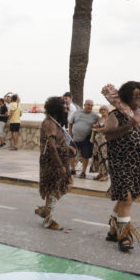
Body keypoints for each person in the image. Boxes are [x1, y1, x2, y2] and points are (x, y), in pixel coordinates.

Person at [102, 81, 140, 252]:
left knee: (126, 197)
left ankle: (113, 231)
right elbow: (108, 135)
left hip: (138, 162)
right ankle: (124, 236)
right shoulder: (116, 114)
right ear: (126, 96)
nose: (138, 98)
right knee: (126, 198)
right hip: (120, 161)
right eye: (134, 95)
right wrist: (128, 125)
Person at [36, 96, 74, 230]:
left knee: (56, 188)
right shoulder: (50, 123)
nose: (66, 109)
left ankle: (46, 211)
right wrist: (60, 166)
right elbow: (51, 147)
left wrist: (67, 147)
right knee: (56, 189)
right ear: (56, 109)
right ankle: (48, 218)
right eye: (63, 107)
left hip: (57, 161)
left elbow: (56, 143)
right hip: (52, 162)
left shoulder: (54, 122)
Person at [68, 99, 99, 178]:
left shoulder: (95, 116)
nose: (90, 106)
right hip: (74, 138)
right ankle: (72, 169)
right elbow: (70, 123)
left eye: (91, 105)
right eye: (88, 104)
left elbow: (101, 123)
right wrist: (70, 134)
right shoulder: (77, 113)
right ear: (84, 105)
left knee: (86, 156)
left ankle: (83, 172)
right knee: (71, 154)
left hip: (86, 139)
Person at [90, 105, 110, 181]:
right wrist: (95, 126)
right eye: (101, 109)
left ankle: (105, 174)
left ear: (108, 110)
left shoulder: (109, 118)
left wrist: (96, 129)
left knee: (104, 156)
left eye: (104, 109)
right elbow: (97, 127)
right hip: (97, 139)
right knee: (97, 155)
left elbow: (107, 128)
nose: (103, 111)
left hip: (105, 140)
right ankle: (100, 173)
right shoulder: (100, 118)